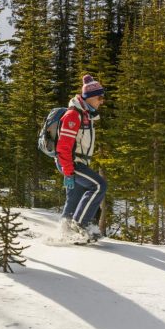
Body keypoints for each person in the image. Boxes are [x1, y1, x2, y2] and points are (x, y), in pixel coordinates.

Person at [56, 74, 108, 242]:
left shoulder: (86, 114)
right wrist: (69, 172)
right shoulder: (74, 115)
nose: (102, 101)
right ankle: (80, 225)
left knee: (74, 197)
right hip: (72, 162)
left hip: (76, 162)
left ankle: (64, 233)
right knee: (99, 185)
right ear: (91, 97)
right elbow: (63, 147)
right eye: (100, 97)